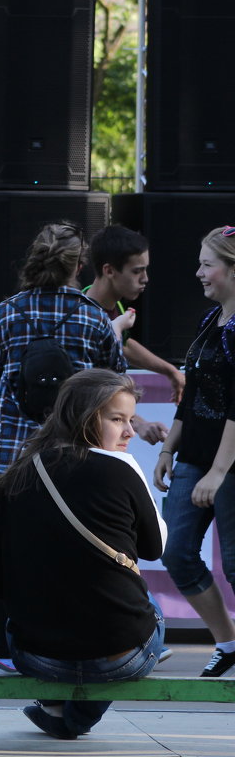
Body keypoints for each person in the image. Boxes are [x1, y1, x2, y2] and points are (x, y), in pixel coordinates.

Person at [0, 222, 127, 676]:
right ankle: (67, 649)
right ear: (78, 265)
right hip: (77, 456)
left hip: (10, 457)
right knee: (69, 553)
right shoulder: (94, 317)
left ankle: (4, 654)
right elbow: (118, 384)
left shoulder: (5, 313)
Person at [0, 369, 166, 739]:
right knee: (146, 601)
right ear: (83, 417)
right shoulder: (121, 468)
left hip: (34, 655)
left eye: (131, 420)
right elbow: (154, 548)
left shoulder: (15, 474)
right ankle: (75, 718)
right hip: (122, 656)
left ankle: (55, 706)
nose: (130, 432)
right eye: (117, 420)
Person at [153, 225, 235, 679]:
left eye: (207, 264)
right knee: (178, 552)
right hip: (196, 458)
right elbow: (193, 390)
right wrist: (169, 448)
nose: (198, 272)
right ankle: (228, 642)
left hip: (226, 463)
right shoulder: (212, 320)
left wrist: (219, 471)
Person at [84, 224, 185, 408]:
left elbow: (123, 345)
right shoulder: (83, 316)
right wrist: (136, 422)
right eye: (137, 271)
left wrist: (170, 371)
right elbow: (90, 391)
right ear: (109, 271)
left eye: (145, 269)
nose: (145, 278)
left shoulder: (116, 306)